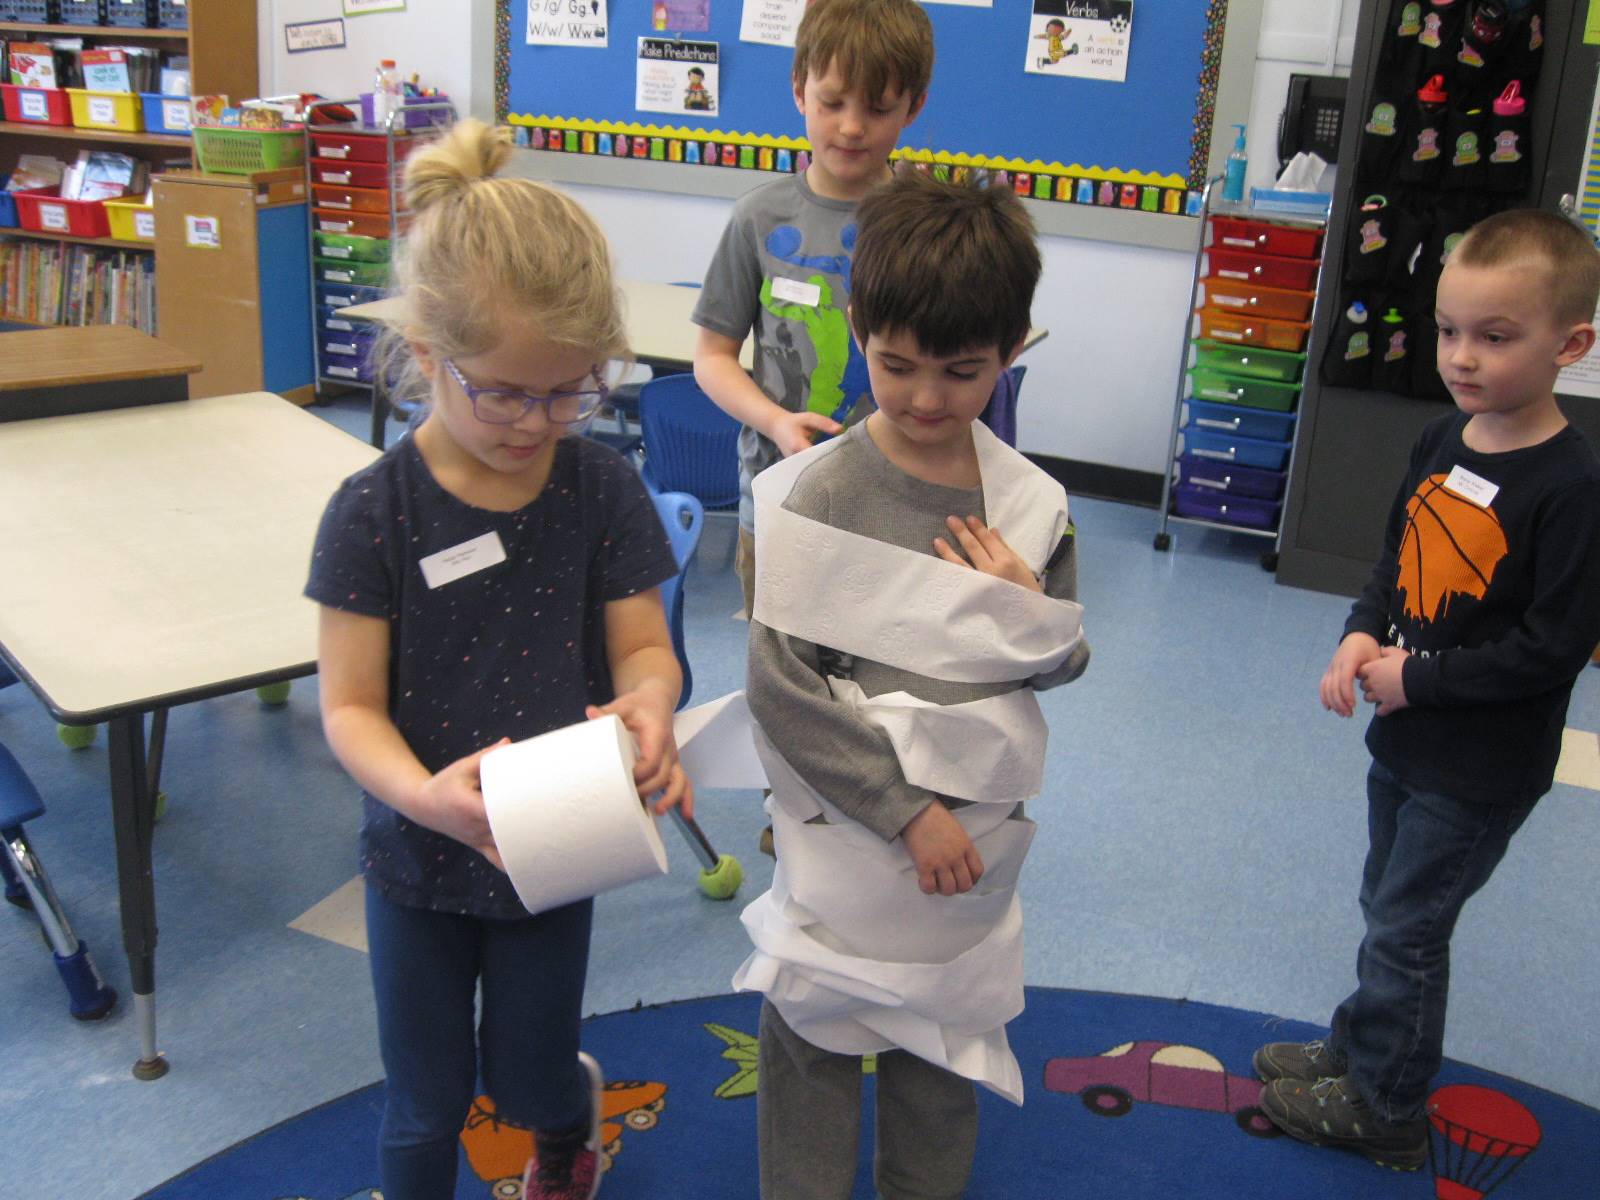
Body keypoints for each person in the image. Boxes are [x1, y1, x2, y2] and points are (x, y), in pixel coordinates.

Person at [304, 119, 691, 1200]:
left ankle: (566, 1137)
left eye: (571, 391)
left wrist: (650, 708)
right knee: (422, 1103)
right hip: (416, 858)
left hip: (559, 842)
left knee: (529, 1075)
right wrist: (422, 797)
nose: (539, 421)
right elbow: (348, 709)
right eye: (507, 392)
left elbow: (643, 647)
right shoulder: (371, 512)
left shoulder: (596, 487)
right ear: (426, 355)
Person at [733, 172, 1090, 1200]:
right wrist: (900, 812)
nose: (927, 398)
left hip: (971, 840)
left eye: (961, 372)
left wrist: (1026, 606)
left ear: (1012, 349)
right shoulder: (817, 494)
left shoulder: (1027, 505)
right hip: (842, 825)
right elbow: (779, 686)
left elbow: (1059, 664)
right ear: (859, 326)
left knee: (943, 1043)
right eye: (896, 367)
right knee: (813, 1034)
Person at [1255, 208, 1600, 1169]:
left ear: (1571, 343)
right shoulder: (1445, 439)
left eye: (1496, 337)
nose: (1463, 356)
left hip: (1479, 767)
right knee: (1385, 906)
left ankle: (1388, 1104)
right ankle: (1365, 1045)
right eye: (1450, 331)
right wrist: (1360, 631)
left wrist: (1419, 677)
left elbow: (1552, 648)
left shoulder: (1573, 486)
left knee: (1409, 929)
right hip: (1405, 740)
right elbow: (1398, 560)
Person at [692, 0, 935, 619]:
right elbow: (713, 358)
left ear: (914, 106)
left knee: (875, 671)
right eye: (832, 103)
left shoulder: (918, 219)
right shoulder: (757, 218)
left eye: (878, 108)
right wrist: (774, 421)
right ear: (799, 91)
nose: (852, 128)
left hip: (889, 500)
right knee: (778, 671)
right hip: (776, 492)